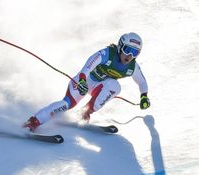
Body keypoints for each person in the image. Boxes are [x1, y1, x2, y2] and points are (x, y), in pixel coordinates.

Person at [23, 32, 151, 132]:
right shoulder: (106, 54)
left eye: (135, 52)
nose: (130, 56)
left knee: (115, 86)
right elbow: (86, 68)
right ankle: (34, 121)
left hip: (98, 86)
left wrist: (144, 96)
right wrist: (82, 82)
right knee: (67, 104)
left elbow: (142, 82)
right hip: (84, 80)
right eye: (128, 50)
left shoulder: (132, 67)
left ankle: (85, 112)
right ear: (121, 46)